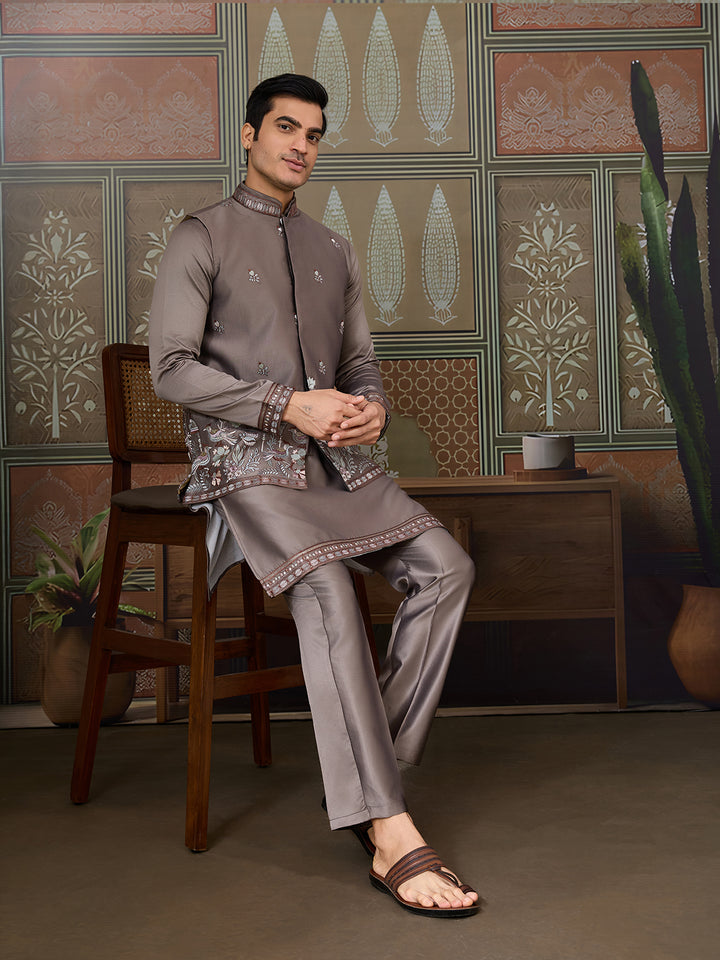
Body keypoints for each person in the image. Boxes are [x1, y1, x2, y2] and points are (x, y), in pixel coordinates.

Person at [149, 73, 479, 918]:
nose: (302, 144)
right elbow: (170, 369)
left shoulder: (334, 248)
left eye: (315, 133)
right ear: (252, 135)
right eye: (286, 127)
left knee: (445, 567)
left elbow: (361, 365)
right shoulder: (201, 237)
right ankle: (391, 829)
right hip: (244, 466)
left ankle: (368, 779)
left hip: (339, 469)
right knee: (328, 592)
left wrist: (370, 408)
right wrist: (285, 405)